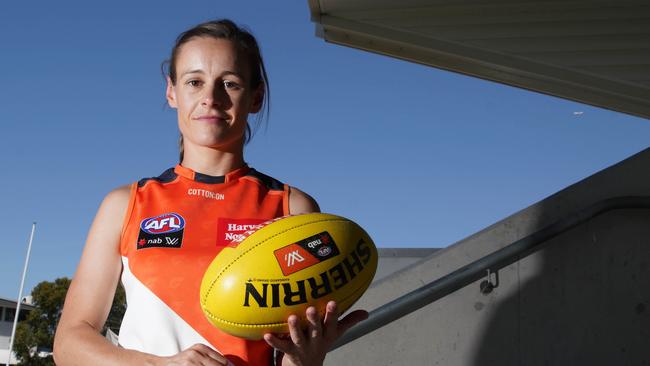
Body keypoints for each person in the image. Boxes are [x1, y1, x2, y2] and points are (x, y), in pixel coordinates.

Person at [53, 19, 367, 366]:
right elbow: (69, 343)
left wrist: (305, 359)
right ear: (171, 92)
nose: (210, 98)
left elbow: (294, 352)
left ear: (256, 96)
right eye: (194, 82)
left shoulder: (291, 208)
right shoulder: (126, 204)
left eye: (229, 83)